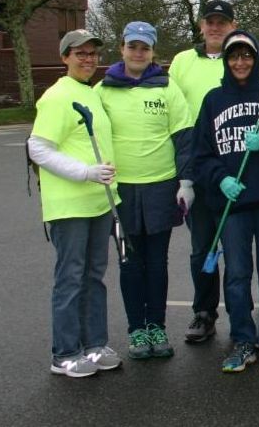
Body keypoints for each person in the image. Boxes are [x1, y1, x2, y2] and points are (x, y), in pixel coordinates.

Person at [192, 30, 259, 372]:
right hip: (232, 204)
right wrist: (220, 179)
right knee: (237, 276)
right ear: (226, 60)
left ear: (256, 58)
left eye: (247, 56)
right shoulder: (213, 100)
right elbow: (200, 154)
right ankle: (242, 340)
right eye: (234, 56)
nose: (241, 62)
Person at [27, 30, 122, 377]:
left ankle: (94, 346)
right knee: (71, 278)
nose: (88, 59)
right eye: (80, 53)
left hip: (99, 203)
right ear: (65, 57)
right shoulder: (57, 96)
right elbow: (38, 148)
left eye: (92, 53)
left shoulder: (90, 93)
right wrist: (84, 172)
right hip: (70, 205)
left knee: (94, 277)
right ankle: (65, 354)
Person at [95, 22, 192, 360]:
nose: (138, 53)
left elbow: (183, 138)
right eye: (132, 46)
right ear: (121, 48)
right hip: (121, 191)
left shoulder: (167, 88)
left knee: (157, 261)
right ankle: (137, 329)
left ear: (153, 52)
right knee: (130, 262)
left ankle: (157, 326)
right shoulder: (103, 90)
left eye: (145, 48)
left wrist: (186, 182)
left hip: (160, 187)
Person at [169, 0, 237, 343]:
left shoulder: (244, 58)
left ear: (233, 26)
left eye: (222, 22)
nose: (215, 27)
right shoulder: (182, 61)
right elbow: (172, 113)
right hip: (198, 168)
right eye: (210, 21)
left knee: (237, 249)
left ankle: (241, 317)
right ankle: (204, 313)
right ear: (201, 25)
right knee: (202, 249)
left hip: (235, 170)